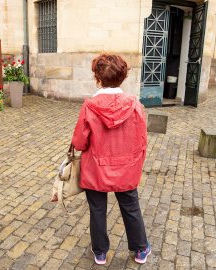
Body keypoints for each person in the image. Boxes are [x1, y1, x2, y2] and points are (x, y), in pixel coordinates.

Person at [71, 54, 151, 265]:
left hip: (96, 168)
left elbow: (79, 143)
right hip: (126, 168)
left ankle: (100, 252)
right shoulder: (135, 104)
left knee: (97, 210)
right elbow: (142, 140)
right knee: (131, 208)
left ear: (98, 79)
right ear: (122, 78)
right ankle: (141, 249)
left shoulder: (89, 106)